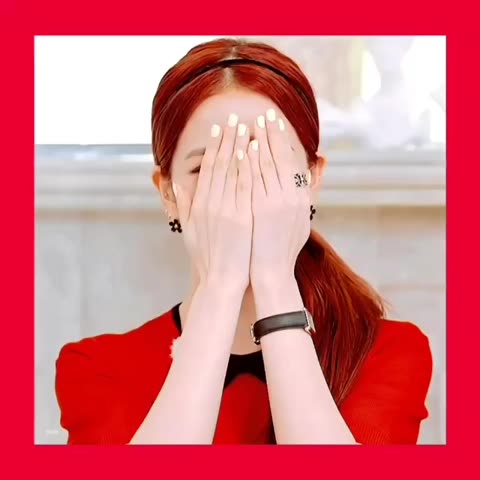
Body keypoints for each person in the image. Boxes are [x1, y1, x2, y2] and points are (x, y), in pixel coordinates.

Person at [54, 38, 433, 445]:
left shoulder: (387, 353)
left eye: (269, 165)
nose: (242, 189)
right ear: (167, 193)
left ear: (311, 181)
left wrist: (274, 279)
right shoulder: (96, 368)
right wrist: (219, 285)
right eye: (208, 169)